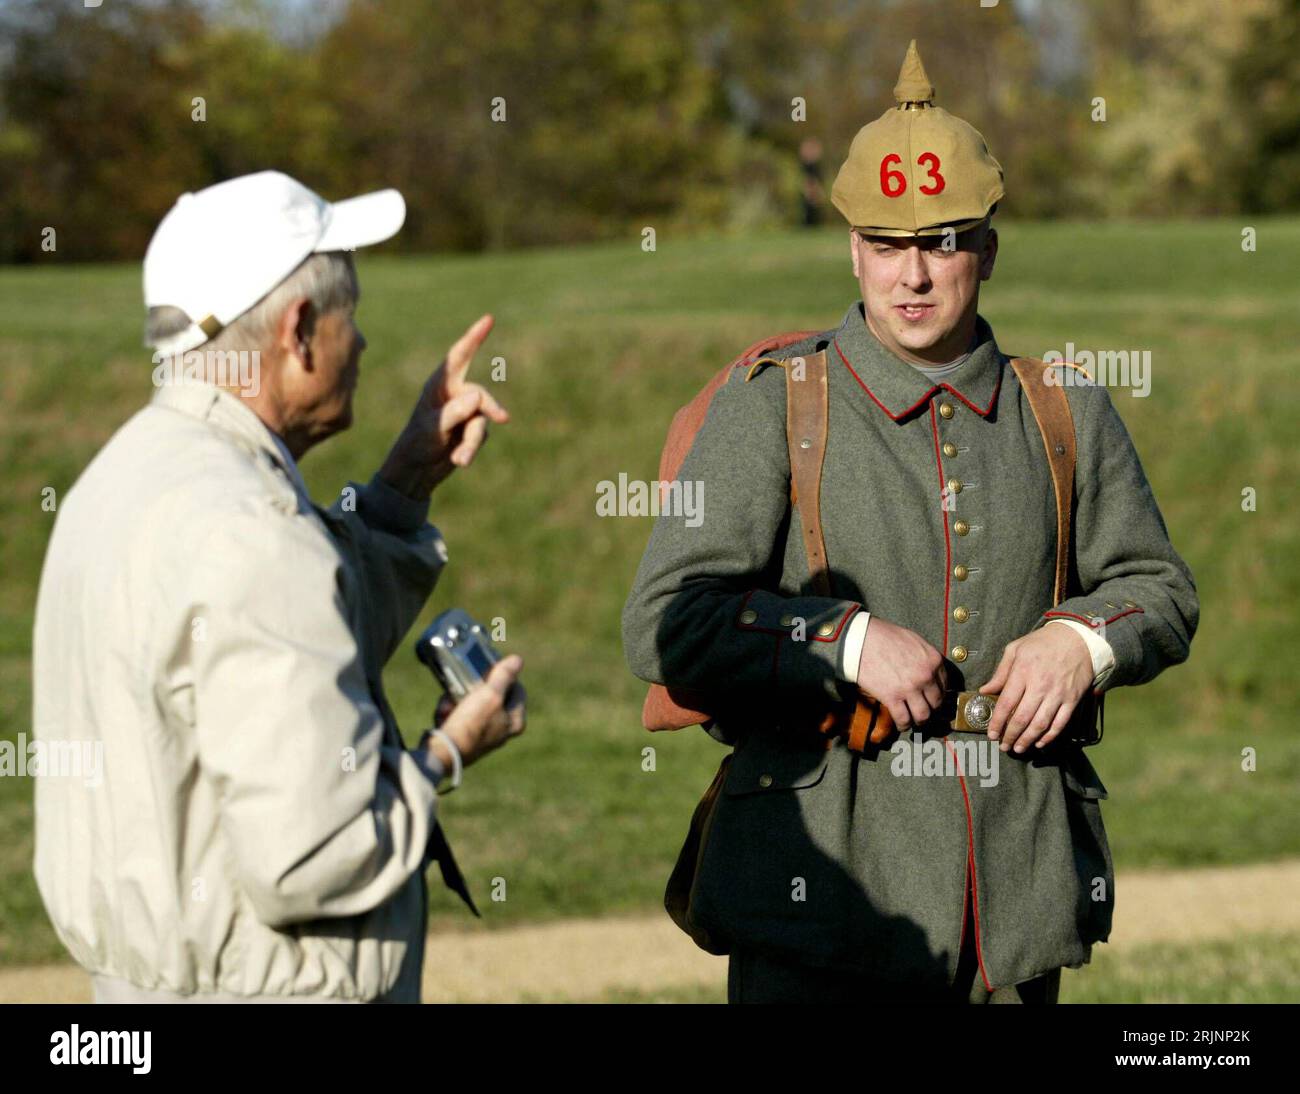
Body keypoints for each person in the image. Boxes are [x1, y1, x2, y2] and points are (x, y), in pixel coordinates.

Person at [622, 42, 1198, 1004]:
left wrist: (1083, 644)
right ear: (853, 248)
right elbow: (664, 622)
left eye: (941, 242)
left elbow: (1162, 589)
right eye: (887, 244)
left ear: (988, 249)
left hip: (1007, 902)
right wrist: (841, 642)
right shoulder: (775, 405)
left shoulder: (1064, 409)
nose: (913, 277)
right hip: (818, 902)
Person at [32, 171, 526, 1003]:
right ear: (298, 331)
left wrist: (402, 485)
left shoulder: (119, 479)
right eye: (351, 318)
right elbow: (315, 854)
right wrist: (448, 753)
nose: (362, 344)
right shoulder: (251, 529)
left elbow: (277, 646)